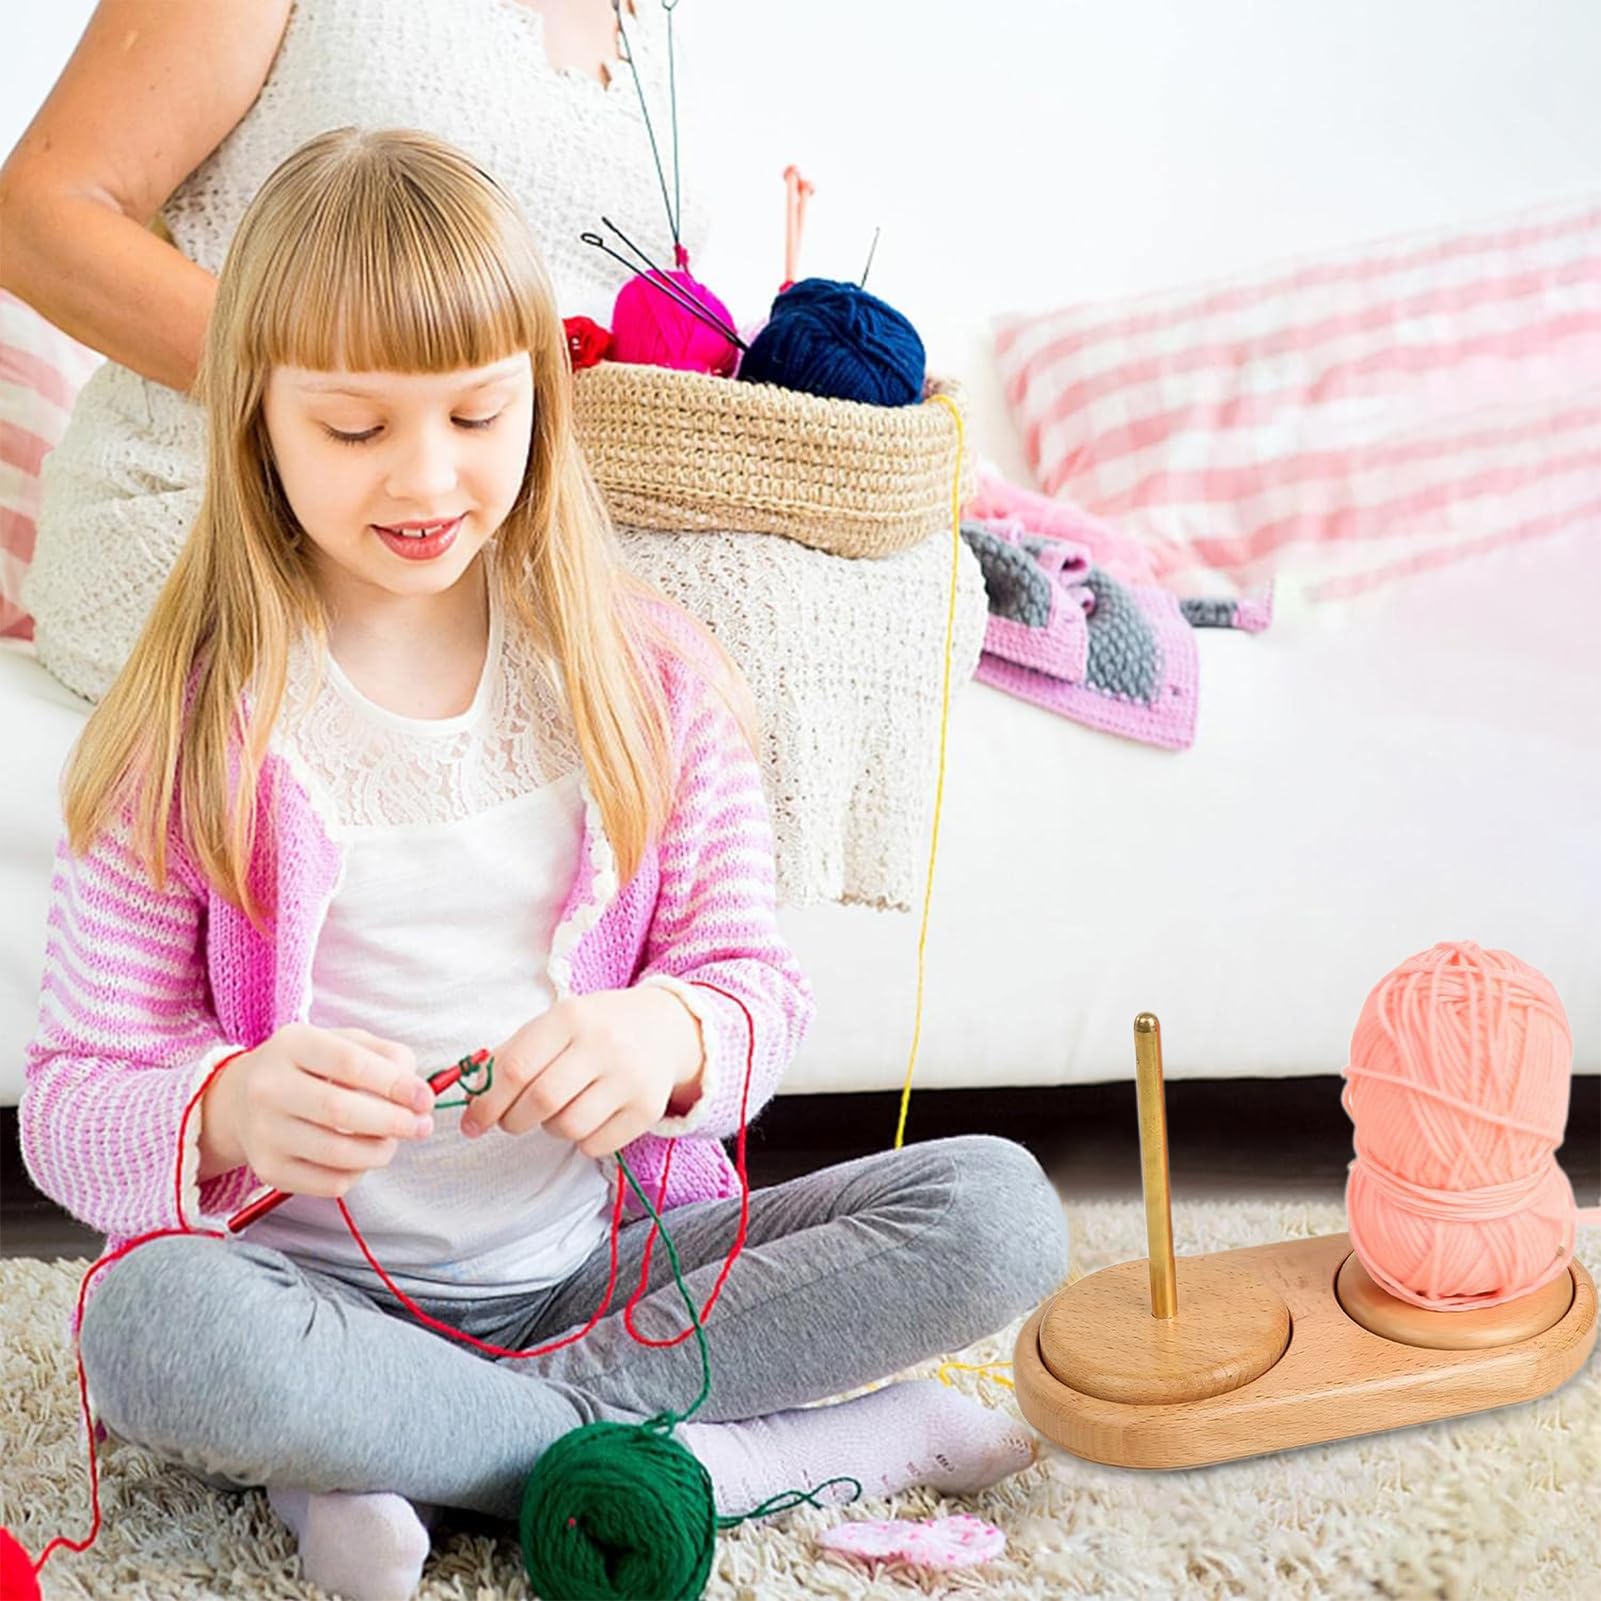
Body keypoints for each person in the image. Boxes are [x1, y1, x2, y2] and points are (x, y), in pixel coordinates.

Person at [18, 128, 1067, 1601]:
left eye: (474, 414)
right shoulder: (186, 728)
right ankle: (715, 1457)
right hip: (310, 1291)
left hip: (606, 1273)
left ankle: (403, 1464)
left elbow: (753, 985)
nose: (426, 475)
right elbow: (67, 1100)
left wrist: (677, 1035)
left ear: (539, 403)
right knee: (153, 1324)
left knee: (999, 1209)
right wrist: (227, 1105)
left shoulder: (644, 681)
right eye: (355, 428)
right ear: (254, 422)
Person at [0, 0, 988, 912]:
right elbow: (39, 214)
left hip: (494, 499)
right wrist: (333, 392)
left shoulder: (641, 21)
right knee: (742, 613)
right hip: (236, 493)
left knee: (915, 581)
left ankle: (688, 1014)